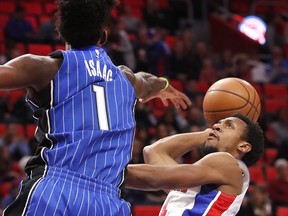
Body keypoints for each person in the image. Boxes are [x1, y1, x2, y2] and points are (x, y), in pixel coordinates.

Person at [1, 0, 191, 215]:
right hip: (108, 203)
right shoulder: (126, 79)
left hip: (55, 191)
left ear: (62, 33)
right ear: (103, 36)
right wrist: (164, 85)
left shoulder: (45, 67)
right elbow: (148, 82)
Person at [126, 113, 264, 215]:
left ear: (244, 146)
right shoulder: (196, 183)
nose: (216, 126)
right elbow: (153, 151)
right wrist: (206, 134)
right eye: (218, 123)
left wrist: (108, 170)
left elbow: (155, 178)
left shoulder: (229, 164)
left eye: (229, 125)